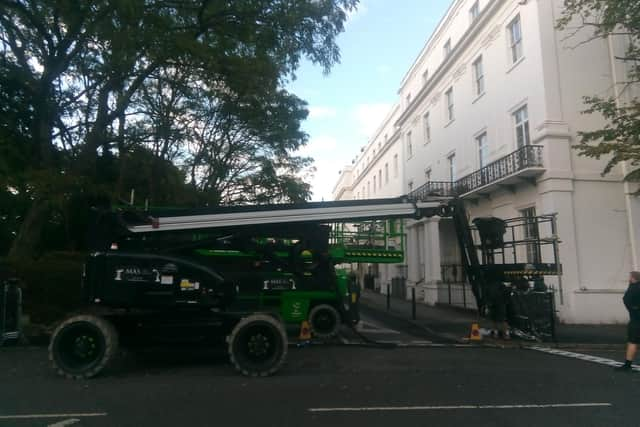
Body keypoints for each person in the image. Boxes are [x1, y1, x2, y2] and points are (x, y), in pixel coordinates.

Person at [615, 271, 640, 372]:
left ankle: (627, 365)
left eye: (630, 277)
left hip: (636, 320)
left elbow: (626, 299)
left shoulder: (633, 288)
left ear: (633, 278)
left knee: (632, 341)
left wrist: (634, 309)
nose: (628, 278)